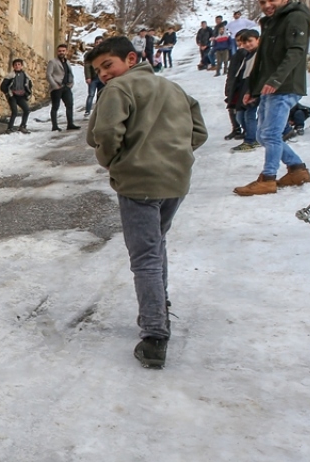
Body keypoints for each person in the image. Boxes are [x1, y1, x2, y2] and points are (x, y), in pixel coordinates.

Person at [86, 36, 207, 368]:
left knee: (145, 257)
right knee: (156, 244)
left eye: (107, 65)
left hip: (138, 183)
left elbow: (103, 134)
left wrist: (112, 161)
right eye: (98, 71)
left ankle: (154, 336)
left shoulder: (118, 89)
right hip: (175, 182)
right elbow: (199, 131)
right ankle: (159, 304)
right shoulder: (172, 88)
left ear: (130, 58)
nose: (104, 75)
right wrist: (174, 154)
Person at [234, 0, 310, 197]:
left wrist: (277, 79)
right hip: (268, 87)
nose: (267, 5)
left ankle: (268, 179)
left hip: (284, 86)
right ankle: (297, 170)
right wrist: (253, 89)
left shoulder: (295, 17)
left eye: (272, 0)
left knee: (270, 134)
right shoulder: (270, 22)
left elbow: (296, 51)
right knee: (262, 135)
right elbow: (261, 60)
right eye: (263, 1)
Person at [228, 29, 262, 152]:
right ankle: (252, 136)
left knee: (249, 114)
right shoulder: (248, 55)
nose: (247, 44)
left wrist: (253, 91)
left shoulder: (260, 54)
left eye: (250, 41)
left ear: (258, 40)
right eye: (244, 42)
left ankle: (251, 140)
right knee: (240, 116)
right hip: (244, 88)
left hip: (254, 88)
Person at [47, 44, 80, 131]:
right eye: (59, 51)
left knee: (70, 105)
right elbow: (48, 75)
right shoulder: (52, 62)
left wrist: (71, 83)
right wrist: (54, 85)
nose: (61, 52)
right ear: (57, 52)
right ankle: (55, 126)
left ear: (66, 52)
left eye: (63, 51)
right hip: (57, 88)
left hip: (66, 87)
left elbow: (70, 73)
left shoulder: (67, 62)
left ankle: (70, 124)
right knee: (55, 107)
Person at [0, 58, 34, 132]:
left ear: (22, 66)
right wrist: (8, 93)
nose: (17, 66)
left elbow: (29, 85)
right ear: (13, 66)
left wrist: (27, 93)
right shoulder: (10, 75)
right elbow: (3, 86)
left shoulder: (26, 76)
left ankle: (23, 126)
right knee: (14, 111)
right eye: (15, 65)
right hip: (12, 96)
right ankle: (10, 128)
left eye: (19, 64)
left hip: (21, 96)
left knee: (26, 110)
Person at [83, 49, 104, 116]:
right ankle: (87, 111)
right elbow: (87, 66)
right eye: (97, 43)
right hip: (93, 78)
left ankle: (99, 110)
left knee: (100, 94)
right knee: (91, 94)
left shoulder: (103, 53)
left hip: (101, 77)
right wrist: (88, 77)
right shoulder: (90, 54)